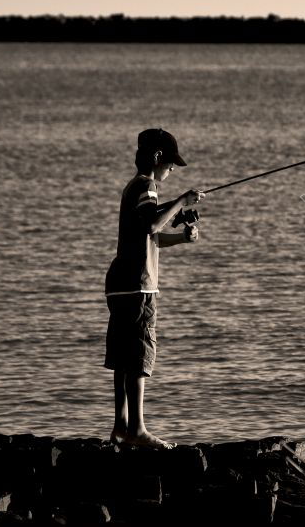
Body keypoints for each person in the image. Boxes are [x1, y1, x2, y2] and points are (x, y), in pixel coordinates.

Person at [104, 128, 205, 449]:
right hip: (138, 285)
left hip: (120, 283)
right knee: (138, 355)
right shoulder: (147, 187)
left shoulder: (132, 188)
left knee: (123, 357)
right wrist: (180, 201)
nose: (172, 170)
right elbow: (150, 224)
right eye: (171, 163)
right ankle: (138, 430)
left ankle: (121, 426)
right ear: (157, 157)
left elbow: (151, 235)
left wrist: (182, 237)